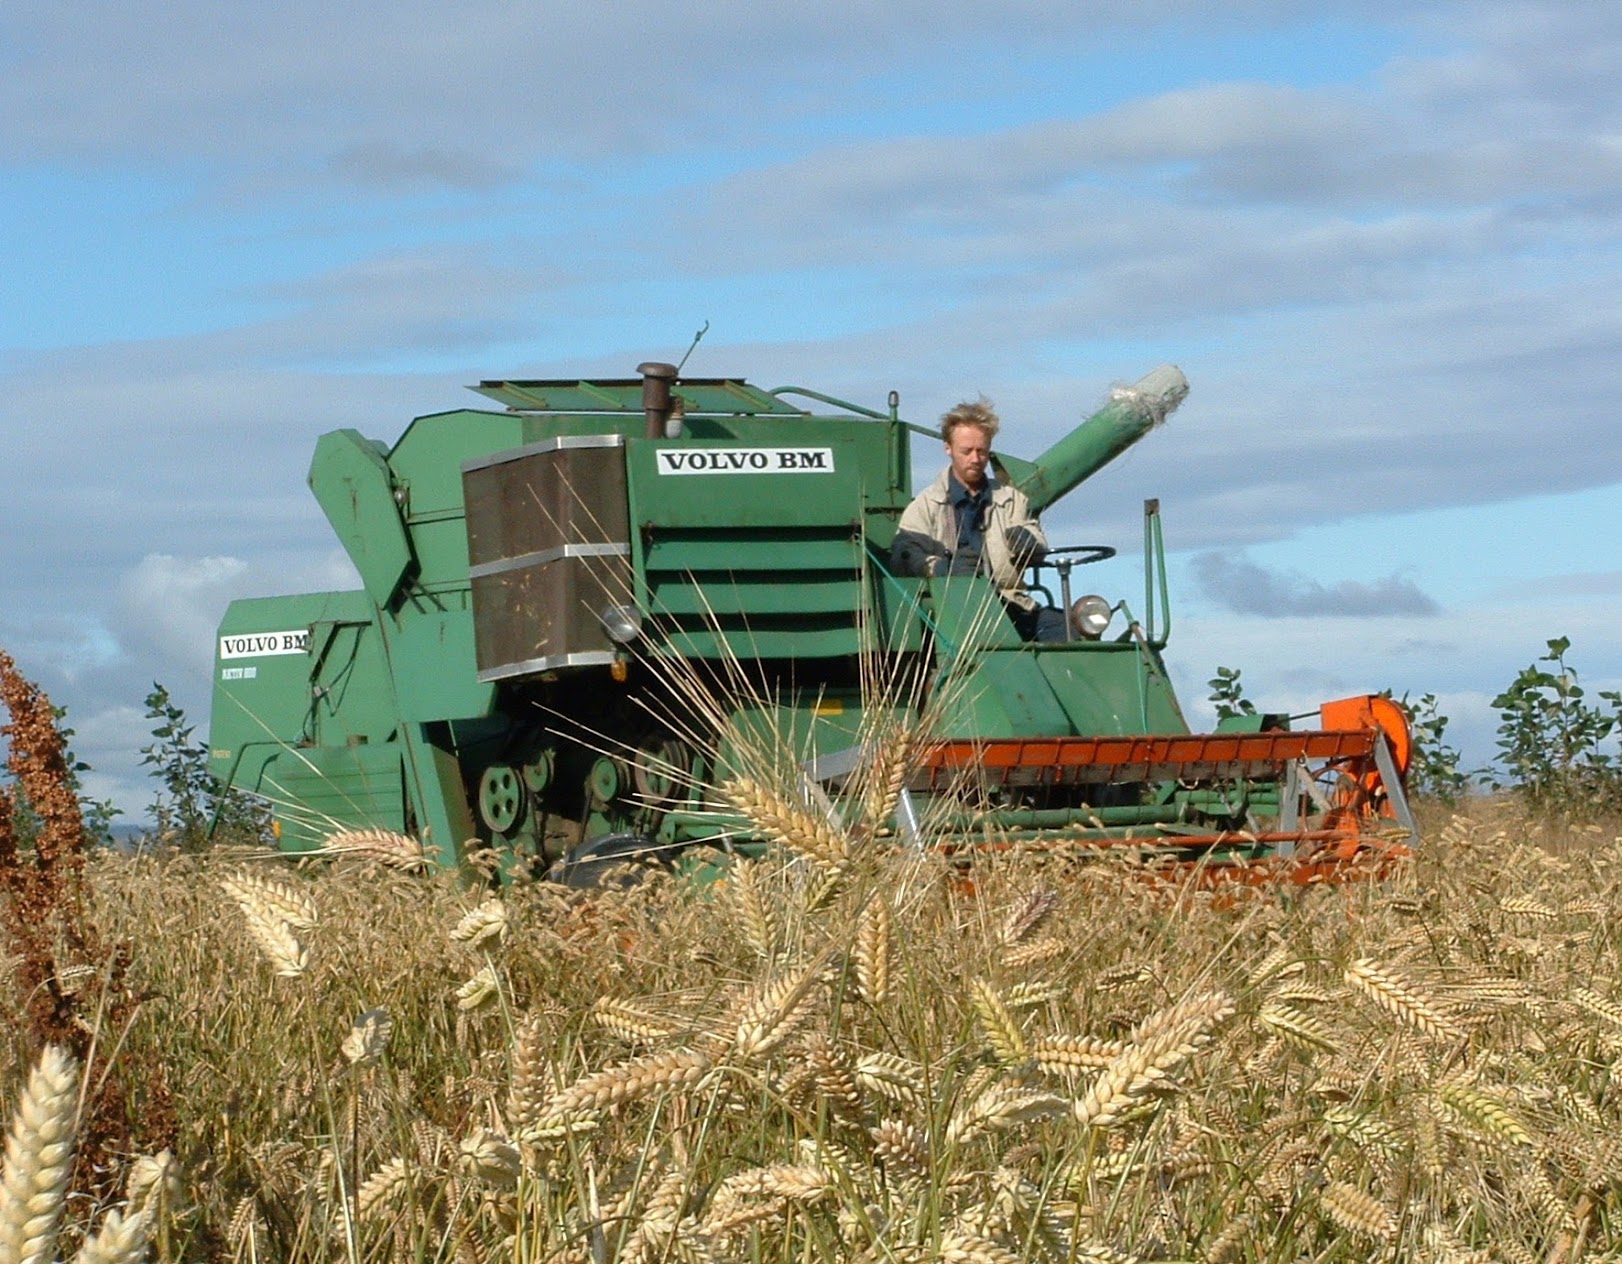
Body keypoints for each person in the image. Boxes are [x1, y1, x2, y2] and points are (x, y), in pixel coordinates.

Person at [890, 397, 1066, 642]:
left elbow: (1033, 534)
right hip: (950, 613)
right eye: (966, 451)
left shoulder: (1011, 500)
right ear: (948, 448)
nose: (975, 459)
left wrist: (1030, 543)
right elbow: (904, 552)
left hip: (1009, 604)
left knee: (1072, 631)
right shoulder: (926, 505)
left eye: (981, 451)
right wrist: (941, 568)